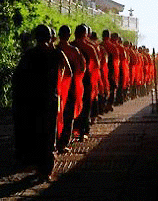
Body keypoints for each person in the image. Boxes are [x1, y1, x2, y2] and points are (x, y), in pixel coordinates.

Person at [12, 24, 68, 181]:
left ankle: (39, 169)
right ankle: (47, 171)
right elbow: (67, 70)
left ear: (36, 37)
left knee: (36, 134)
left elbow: (18, 78)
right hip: (51, 99)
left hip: (32, 101)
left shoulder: (29, 54)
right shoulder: (56, 53)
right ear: (50, 38)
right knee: (49, 135)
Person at [56, 25, 85, 152]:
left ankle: (55, 142)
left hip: (54, 89)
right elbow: (82, 69)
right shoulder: (74, 51)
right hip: (70, 88)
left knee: (55, 116)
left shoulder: (55, 50)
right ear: (69, 35)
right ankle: (63, 143)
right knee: (68, 116)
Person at [70, 24, 99, 139]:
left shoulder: (70, 47)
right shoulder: (90, 48)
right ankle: (83, 131)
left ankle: (73, 129)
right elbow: (96, 66)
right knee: (86, 106)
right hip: (85, 81)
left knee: (71, 105)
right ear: (86, 35)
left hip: (70, 81)